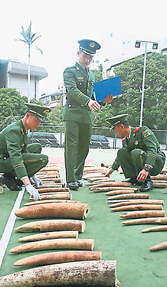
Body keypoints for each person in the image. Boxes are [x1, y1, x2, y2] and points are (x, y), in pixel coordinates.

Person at [63, 39, 113, 191]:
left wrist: (104, 100)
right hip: (72, 113)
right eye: (85, 56)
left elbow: (93, 97)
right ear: (78, 53)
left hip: (86, 116)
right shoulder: (69, 71)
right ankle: (71, 179)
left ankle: (78, 177)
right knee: (71, 147)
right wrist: (88, 101)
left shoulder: (91, 75)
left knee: (84, 148)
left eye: (91, 57)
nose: (88, 59)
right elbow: (72, 90)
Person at [0, 103, 51, 201]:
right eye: (36, 120)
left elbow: (24, 151)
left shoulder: (22, 129)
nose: (38, 124)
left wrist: (33, 175)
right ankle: (8, 177)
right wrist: (28, 184)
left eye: (40, 122)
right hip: (2, 161)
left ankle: (17, 177)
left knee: (36, 147)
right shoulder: (14, 131)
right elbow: (16, 157)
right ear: (28, 116)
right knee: (43, 159)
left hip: (8, 157)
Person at [104, 114, 166, 192]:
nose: (115, 132)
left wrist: (146, 169)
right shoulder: (126, 140)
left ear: (122, 126)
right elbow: (120, 157)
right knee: (122, 152)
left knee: (136, 152)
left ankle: (147, 181)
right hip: (143, 159)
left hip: (156, 161)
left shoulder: (142, 131)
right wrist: (111, 171)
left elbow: (152, 149)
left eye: (115, 129)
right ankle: (135, 178)